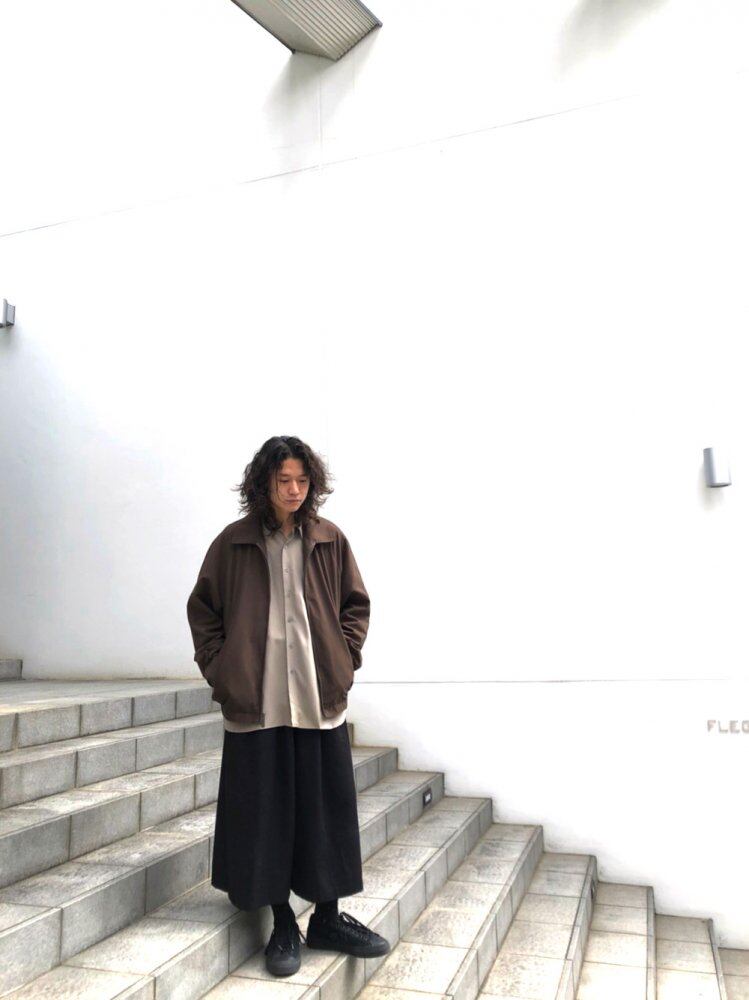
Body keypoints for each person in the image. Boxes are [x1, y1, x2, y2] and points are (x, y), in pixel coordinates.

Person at [186, 435, 390, 976]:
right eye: (284, 481)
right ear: (264, 483)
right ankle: (282, 923)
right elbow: (203, 611)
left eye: (302, 480)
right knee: (266, 812)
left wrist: (345, 657)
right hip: (259, 703)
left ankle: (328, 917)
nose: (294, 490)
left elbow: (356, 605)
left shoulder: (329, 539)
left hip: (318, 701)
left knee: (326, 810)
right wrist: (222, 668)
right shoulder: (232, 544)